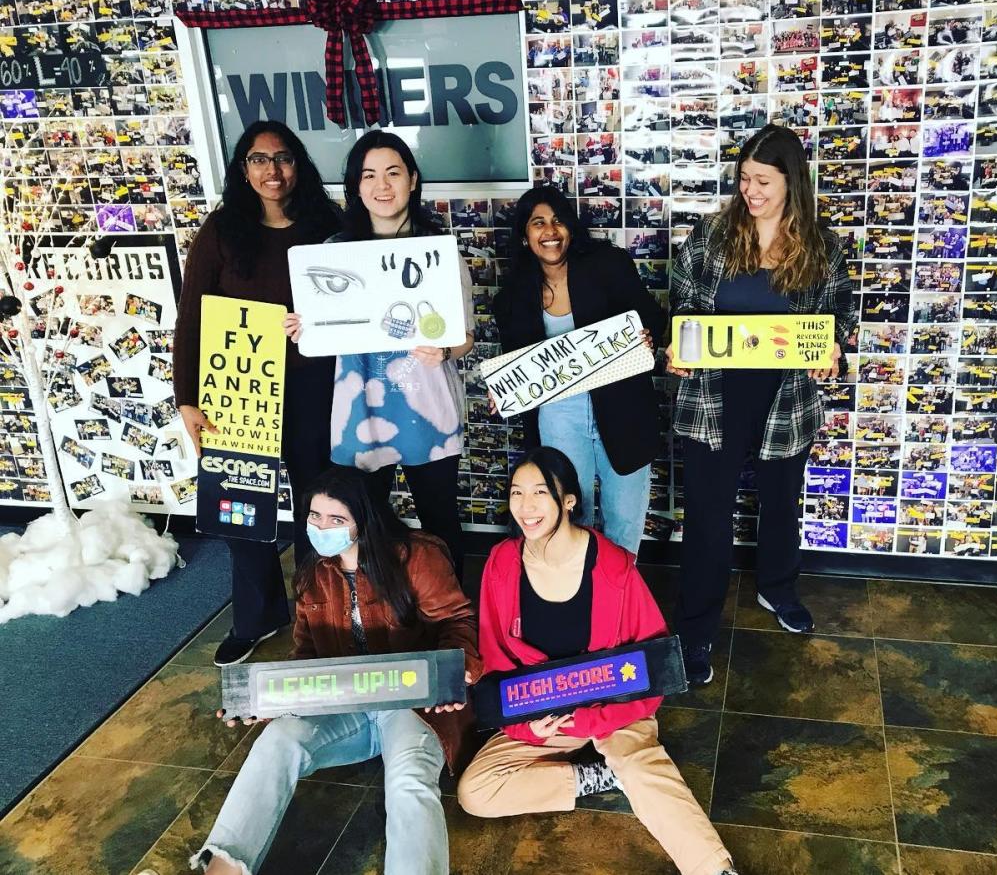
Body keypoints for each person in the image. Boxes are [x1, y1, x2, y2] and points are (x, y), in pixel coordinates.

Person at [456, 448, 739, 875]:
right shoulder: (500, 564)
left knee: (644, 766)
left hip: (613, 709)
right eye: (516, 493)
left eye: (539, 493)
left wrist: (589, 722)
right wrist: (525, 724)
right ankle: (596, 777)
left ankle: (715, 868)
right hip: (543, 712)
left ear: (568, 501)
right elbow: (496, 664)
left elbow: (653, 666)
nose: (525, 506)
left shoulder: (614, 568)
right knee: (474, 792)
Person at [191, 466, 481, 875]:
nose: (322, 527)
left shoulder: (417, 556)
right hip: (345, 704)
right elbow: (306, 651)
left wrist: (456, 670)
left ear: (364, 520)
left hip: (412, 703)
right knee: (278, 740)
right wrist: (272, 700)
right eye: (314, 516)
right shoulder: (314, 571)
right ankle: (222, 868)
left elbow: (457, 621)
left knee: (409, 779)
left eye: (336, 519)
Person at [665, 124, 858, 685]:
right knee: (706, 518)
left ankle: (778, 590)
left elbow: (839, 307)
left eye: (763, 181)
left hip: (786, 398)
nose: (751, 191)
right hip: (713, 397)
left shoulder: (822, 245)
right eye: (745, 180)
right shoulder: (711, 236)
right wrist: (677, 344)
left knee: (781, 505)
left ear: (791, 182)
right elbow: (680, 301)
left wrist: (834, 349)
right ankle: (695, 629)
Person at [173, 119, 342, 666]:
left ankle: (327, 611)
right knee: (242, 507)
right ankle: (256, 615)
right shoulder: (222, 231)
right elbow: (192, 318)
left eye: (284, 157)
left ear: (300, 165)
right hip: (238, 389)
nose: (273, 171)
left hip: (316, 387)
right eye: (259, 159)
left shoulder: (328, 225)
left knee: (321, 502)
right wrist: (186, 398)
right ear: (243, 169)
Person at [284, 130, 474, 579]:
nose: (382, 185)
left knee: (440, 522)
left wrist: (445, 348)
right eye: (369, 175)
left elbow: (465, 336)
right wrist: (301, 330)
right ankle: (376, 614)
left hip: (429, 407)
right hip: (359, 412)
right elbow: (319, 332)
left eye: (393, 172)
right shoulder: (332, 255)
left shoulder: (441, 251)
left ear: (412, 179)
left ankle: (450, 619)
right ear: (355, 187)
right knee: (362, 523)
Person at [494, 186, 666, 555]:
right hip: (559, 416)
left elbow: (650, 316)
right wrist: (504, 392)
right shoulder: (512, 295)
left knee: (625, 518)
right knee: (571, 515)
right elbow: (516, 367)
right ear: (525, 236)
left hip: (623, 408)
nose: (550, 231)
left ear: (571, 227)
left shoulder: (609, 263)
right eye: (538, 223)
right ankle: (578, 598)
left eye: (558, 221)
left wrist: (647, 336)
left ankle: (620, 599)